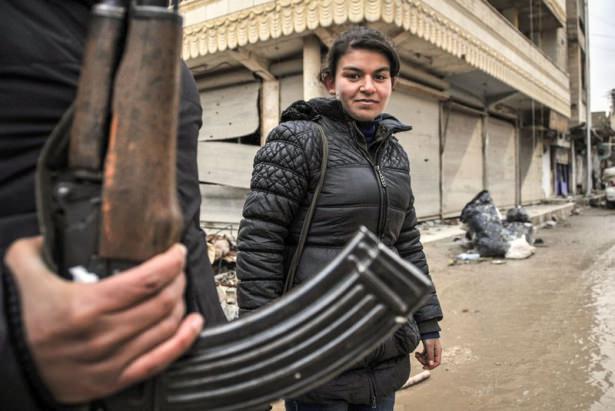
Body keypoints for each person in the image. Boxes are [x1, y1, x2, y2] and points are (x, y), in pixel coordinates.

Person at [0, 0, 225, 408]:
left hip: (185, 365)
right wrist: (12, 341)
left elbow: (183, 226)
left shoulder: (156, 40)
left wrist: (217, 341)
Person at [236, 26, 443, 410]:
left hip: (384, 345)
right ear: (330, 82)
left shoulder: (394, 154)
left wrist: (428, 322)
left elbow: (406, 244)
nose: (368, 87)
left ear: (392, 84)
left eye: (379, 76)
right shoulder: (297, 140)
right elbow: (260, 242)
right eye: (354, 75)